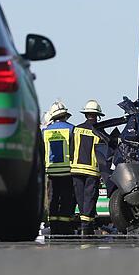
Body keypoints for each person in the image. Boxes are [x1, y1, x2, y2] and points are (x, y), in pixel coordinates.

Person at [70, 99, 110, 236]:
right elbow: (105, 153)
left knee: (80, 198)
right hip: (91, 170)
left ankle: (86, 224)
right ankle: (86, 226)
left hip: (75, 169)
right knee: (90, 198)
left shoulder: (76, 129)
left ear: (86, 114)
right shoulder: (100, 131)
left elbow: (71, 149)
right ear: (97, 115)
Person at [42, 101, 77, 235]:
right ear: (65, 116)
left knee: (53, 200)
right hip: (67, 171)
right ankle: (65, 228)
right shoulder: (72, 129)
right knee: (66, 200)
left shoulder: (45, 131)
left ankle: (54, 227)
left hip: (51, 172)